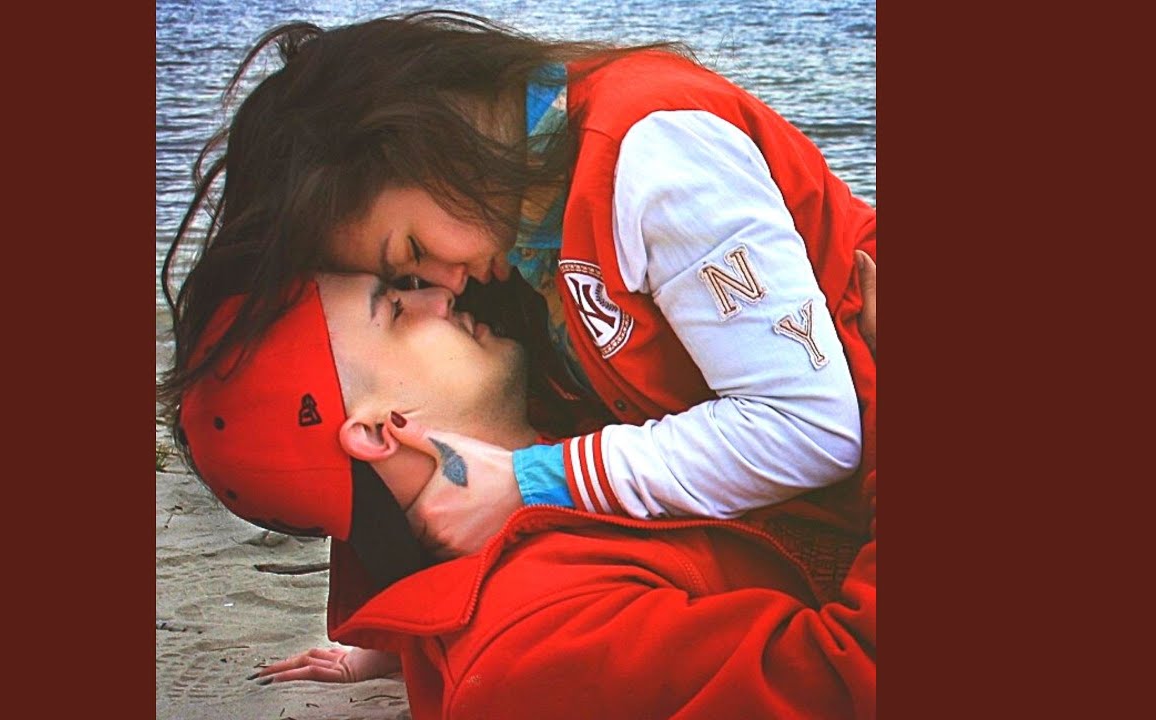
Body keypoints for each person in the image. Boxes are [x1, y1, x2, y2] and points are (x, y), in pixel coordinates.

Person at [159, 10, 877, 558]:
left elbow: (809, 430)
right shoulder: (526, 232)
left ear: (424, 141)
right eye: (406, 277)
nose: (440, 287)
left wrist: (534, 482)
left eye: (412, 250)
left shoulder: (653, 155)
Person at [175, 258, 877, 719]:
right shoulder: (531, 648)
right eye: (395, 308)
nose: (439, 293)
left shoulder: (576, 428)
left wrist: (394, 649)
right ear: (377, 431)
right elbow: (856, 679)